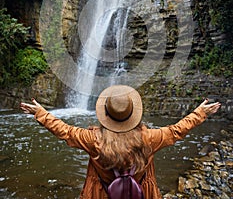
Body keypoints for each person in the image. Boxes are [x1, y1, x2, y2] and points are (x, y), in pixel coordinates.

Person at [20, 85, 221, 199]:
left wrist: (41, 113)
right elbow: (177, 131)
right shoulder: (149, 138)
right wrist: (200, 113)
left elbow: (64, 131)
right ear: (133, 114)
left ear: (105, 114)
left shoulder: (93, 139)